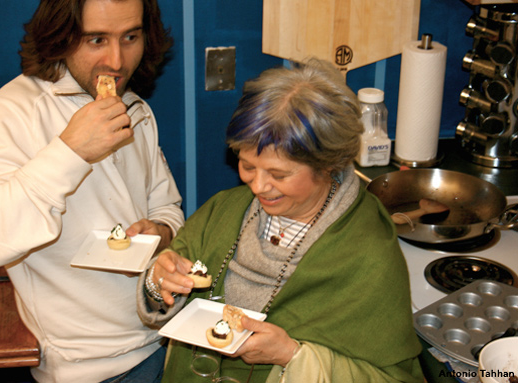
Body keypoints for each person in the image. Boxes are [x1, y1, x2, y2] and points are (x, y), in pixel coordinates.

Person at [136, 59, 424, 382]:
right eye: (247, 166)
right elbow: (163, 296)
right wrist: (157, 281)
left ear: (328, 165)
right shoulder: (224, 212)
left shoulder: (368, 255)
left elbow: (396, 378)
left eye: (279, 174)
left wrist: (293, 357)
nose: (258, 187)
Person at [0, 0, 184, 382]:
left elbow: (168, 206)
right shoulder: (15, 111)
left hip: (165, 339)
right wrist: (69, 151)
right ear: (61, 37)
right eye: (96, 40)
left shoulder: (136, 108)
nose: (117, 61)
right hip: (90, 368)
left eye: (130, 37)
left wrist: (161, 231)